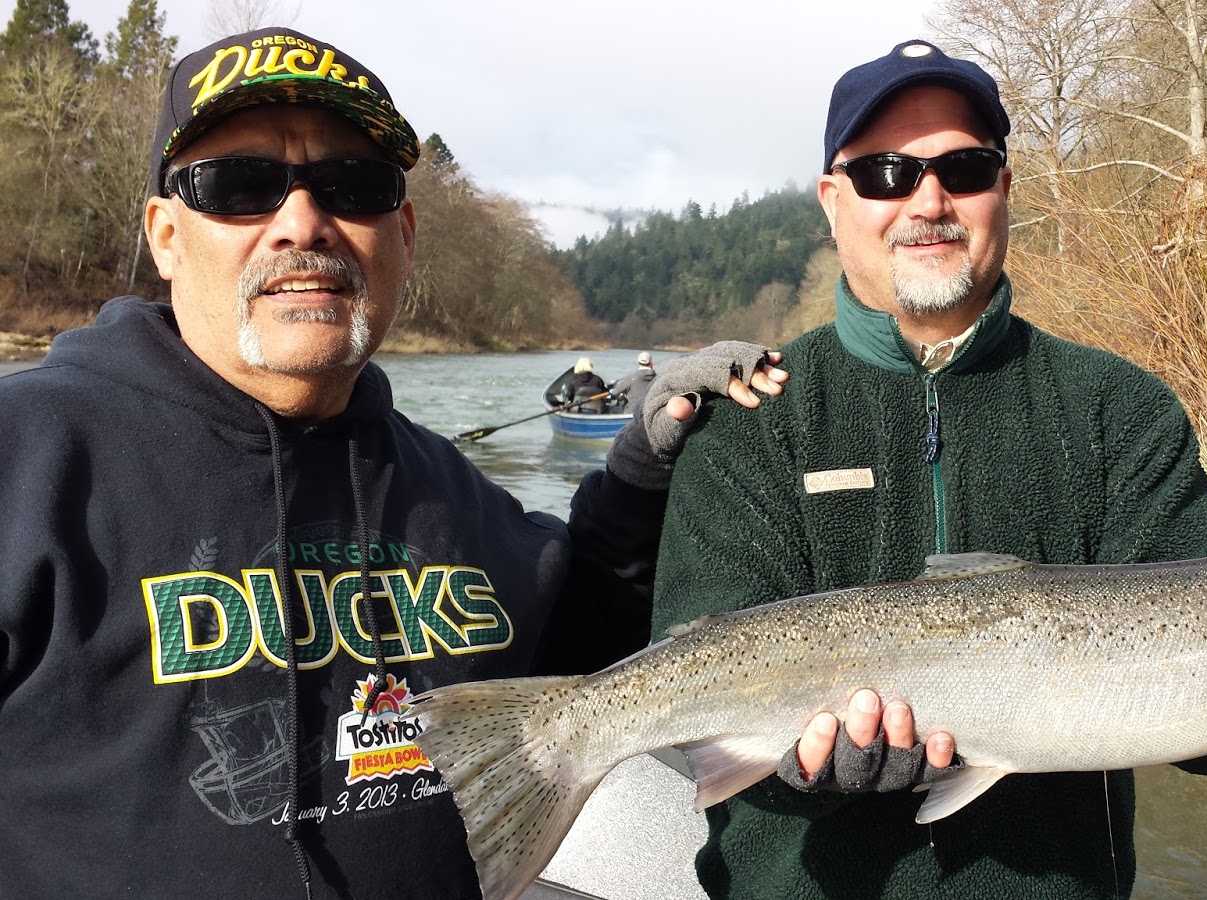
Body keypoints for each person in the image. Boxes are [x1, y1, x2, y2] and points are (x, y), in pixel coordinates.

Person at [0, 26, 799, 899]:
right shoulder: (25, 460)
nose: (301, 222)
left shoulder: (446, 493)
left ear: (403, 233)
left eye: (352, 185)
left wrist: (645, 462)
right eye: (240, 186)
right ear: (164, 233)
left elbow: (579, 648)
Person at [652, 39, 1207, 899]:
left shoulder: (1119, 409)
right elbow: (688, 691)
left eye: (966, 168)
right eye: (887, 174)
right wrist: (802, 768)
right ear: (833, 203)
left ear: (1003, 192)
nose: (929, 201)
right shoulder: (754, 416)